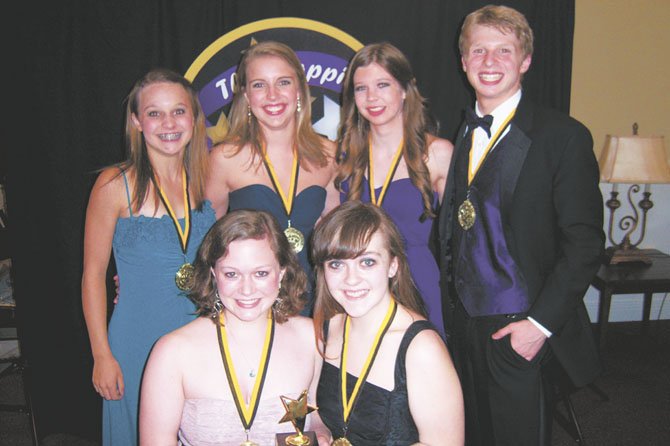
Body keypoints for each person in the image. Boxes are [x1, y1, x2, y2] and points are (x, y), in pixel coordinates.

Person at [437, 5, 604, 445]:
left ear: (525, 61)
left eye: (503, 51)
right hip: (464, 326)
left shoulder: (563, 136)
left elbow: (584, 244)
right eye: (479, 51)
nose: (489, 62)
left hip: (520, 326)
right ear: (464, 61)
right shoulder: (464, 131)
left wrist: (539, 326)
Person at [81, 68, 216, 445]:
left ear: (194, 118)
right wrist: (101, 355)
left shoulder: (207, 181)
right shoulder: (114, 184)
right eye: (154, 113)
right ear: (137, 122)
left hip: (200, 336)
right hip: (137, 339)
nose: (169, 123)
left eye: (179, 111)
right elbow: (93, 275)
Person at [139, 210, 330, 445]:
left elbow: (317, 414)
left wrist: (322, 434)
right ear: (214, 274)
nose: (246, 290)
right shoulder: (173, 352)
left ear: (281, 273)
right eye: (231, 274)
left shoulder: (311, 338)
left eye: (260, 273)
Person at [311, 201, 464, 445]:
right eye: (337, 264)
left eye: (367, 262)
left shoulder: (422, 349)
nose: (351, 279)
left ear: (393, 265)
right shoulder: (329, 327)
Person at [206, 41, 339, 314]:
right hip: (249, 302)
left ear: (300, 89)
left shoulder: (329, 154)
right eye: (259, 85)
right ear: (245, 96)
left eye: (283, 82)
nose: (272, 95)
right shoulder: (224, 159)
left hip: (315, 301)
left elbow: (338, 235)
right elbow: (205, 239)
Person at [335, 42, 452, 337]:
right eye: (361, 88)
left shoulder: (437, 154)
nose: (372, 97)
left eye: (383, 84)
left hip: (418, 286)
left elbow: (463, 242)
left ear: (404, 90)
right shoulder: (343, 158)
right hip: (356, 287)